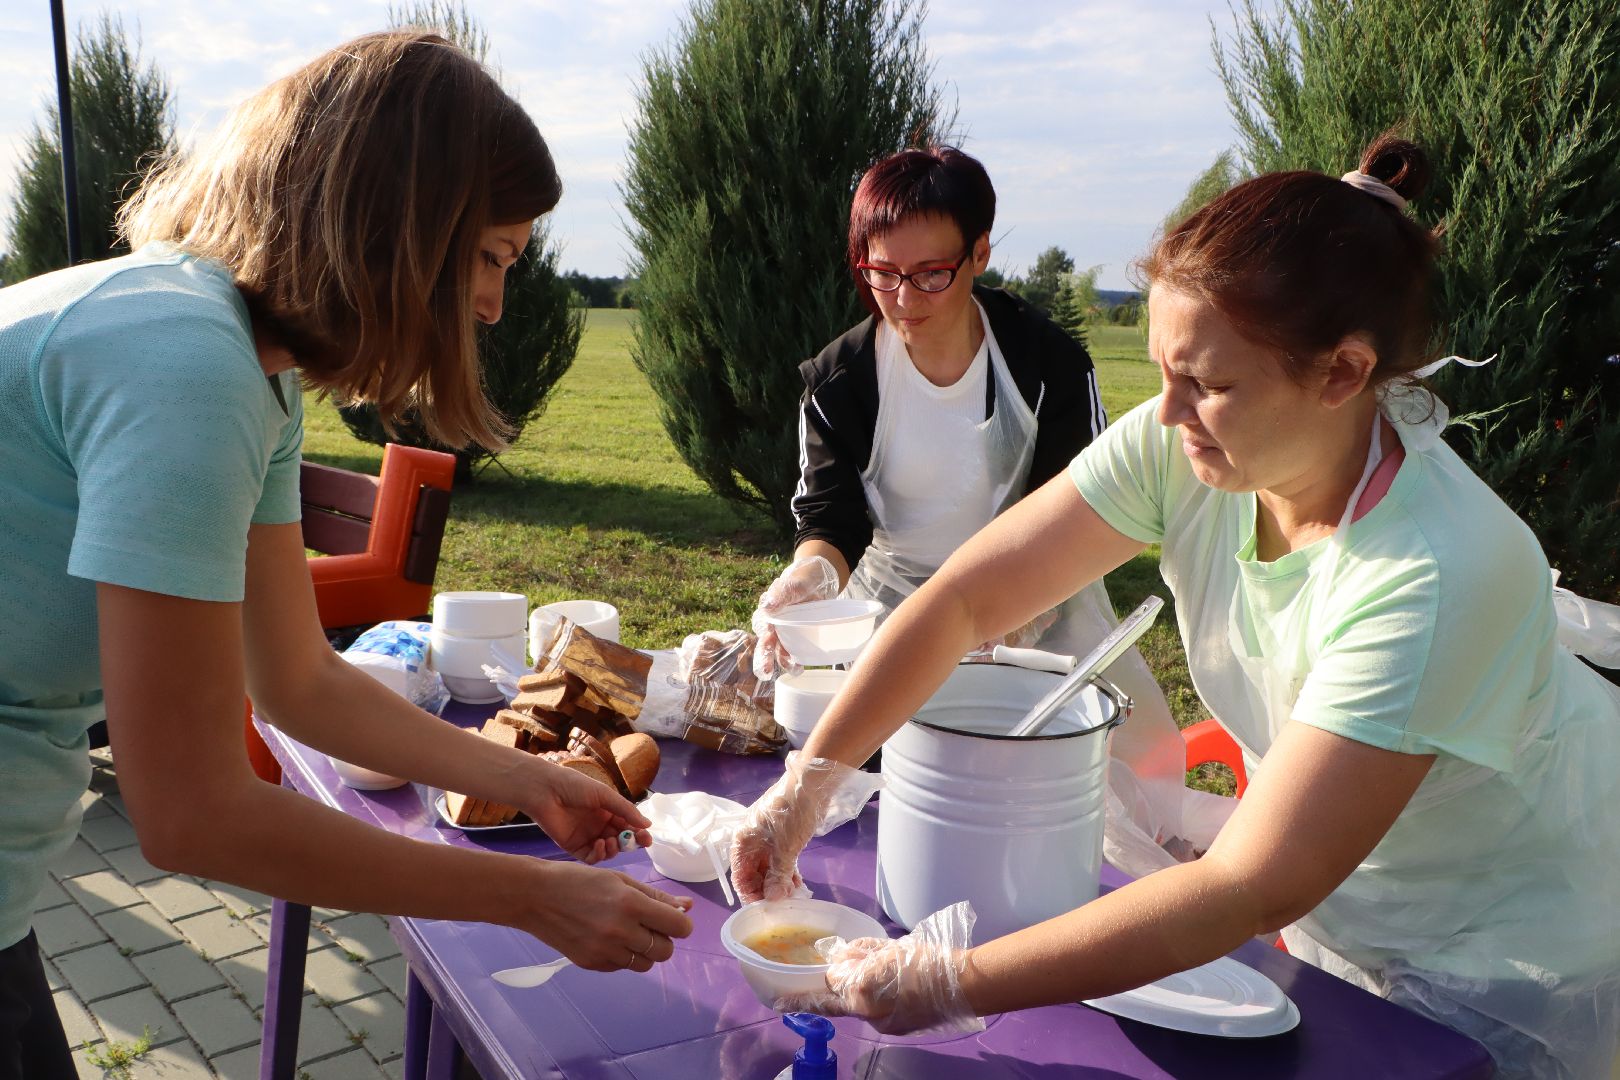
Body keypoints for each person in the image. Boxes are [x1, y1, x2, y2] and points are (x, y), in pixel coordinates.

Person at [731, 133, 1620, 1078]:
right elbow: (961, 602)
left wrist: (955, 979)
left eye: (1208, 383)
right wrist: (808, 785)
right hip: (1342, 915)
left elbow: (1247, 883)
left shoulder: (1436, 572)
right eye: (1162, 370)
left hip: (1510, 956)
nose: (1164, 413)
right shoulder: (1187, 443)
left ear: (1343, 374)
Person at [0, 32, 691, 1080]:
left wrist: (524, 780)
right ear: (401, 227)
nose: (498, 304)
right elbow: (189, 814)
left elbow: (295, 678)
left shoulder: (247, 367)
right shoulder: (186, 365)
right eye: (492, 256)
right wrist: (530, 897)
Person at [751, 146, 1187, 834]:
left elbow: (1084, 506)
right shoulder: (841, 380)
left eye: (930, 274)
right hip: (893, 603)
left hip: (1041, 591)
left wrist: (1015, 604)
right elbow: (830, 515)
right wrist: (810, 575)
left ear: (979, 253)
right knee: (877, 790)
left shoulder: (1048, 363)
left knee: (1112, 790)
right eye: (882, 273)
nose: (902, 299)